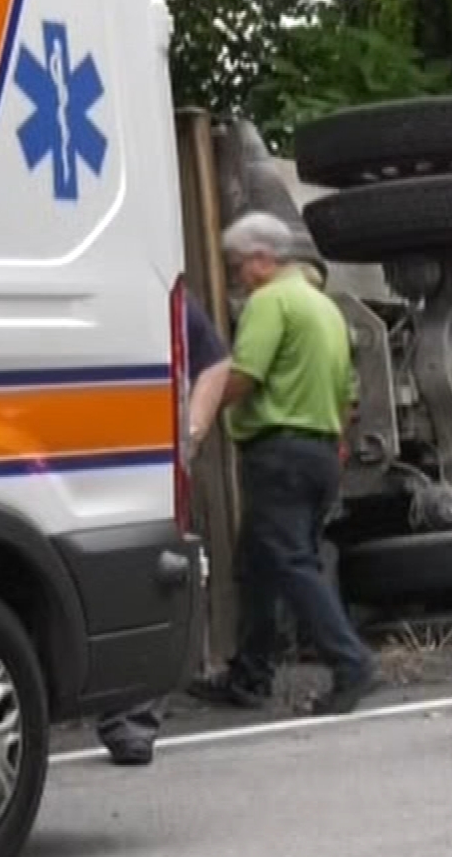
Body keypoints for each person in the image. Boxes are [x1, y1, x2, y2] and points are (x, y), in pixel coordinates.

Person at [189, 211, 380, 717]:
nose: (235, 276)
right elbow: (348, 393)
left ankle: (350, 662)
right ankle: (250, 673)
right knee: (260, 564)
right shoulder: (325, 308)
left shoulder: (270, 302)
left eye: (237, 265)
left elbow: (245, 373)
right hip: (319, 450)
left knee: (291, 561)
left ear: (261, 258)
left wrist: (198, 412)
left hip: (277, 451)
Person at [96, 289, 231, 765]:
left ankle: (131, 721)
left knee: (141, 581)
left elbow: (215, 363)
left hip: (142, 462)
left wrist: (190, 435)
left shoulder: (156, 293)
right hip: (85, 458)